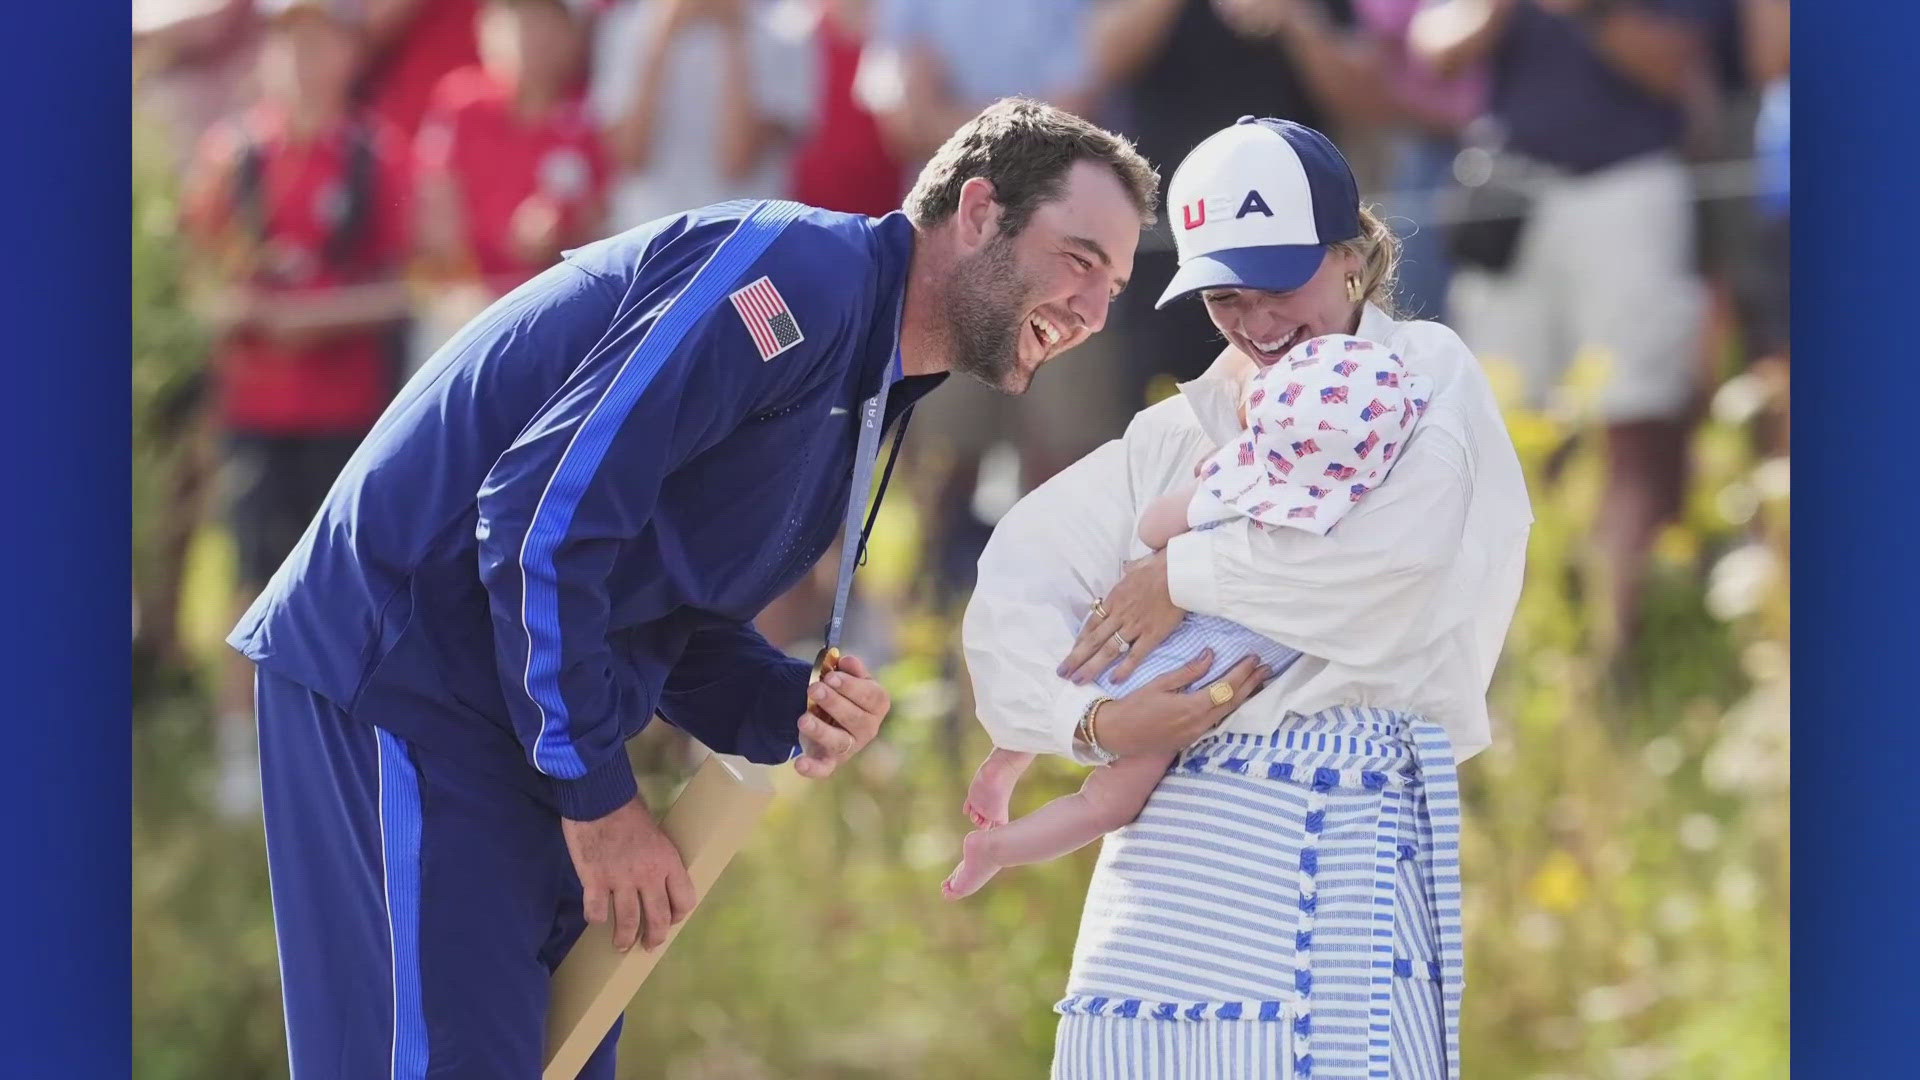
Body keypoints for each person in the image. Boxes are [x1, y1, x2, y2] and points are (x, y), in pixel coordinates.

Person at [230, 98, 1160, 1078]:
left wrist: (780, 702)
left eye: (1116, 284)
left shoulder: (868, 367)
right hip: (403, 677)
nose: (1096, 312)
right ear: (977, 213)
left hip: (507, 710)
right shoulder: (795, 282)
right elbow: (541, 522)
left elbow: (649, 597)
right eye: (1080, 260)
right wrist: (598, 804)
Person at [961, 117, 1530, 1077]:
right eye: (1227, 297)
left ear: (1351, 258)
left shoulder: (1426, 378)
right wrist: (1095, 721)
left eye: (1280, 288)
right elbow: (1024, 574)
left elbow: (1401, 565)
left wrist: (1182, 578)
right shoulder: (1180, 430)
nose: (1258, 324)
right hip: (1167, 862)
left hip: (1340, 840)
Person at [945, 332, 1431, 899]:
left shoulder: (1232, 485)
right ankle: (996, 848)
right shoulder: (1342, 518)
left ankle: (1006, 764)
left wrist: (1208, 495)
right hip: (1185, 676)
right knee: (1108, 805)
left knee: (1073, 670)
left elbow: (1151, 528)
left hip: (1137, 640)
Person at [1414, 0, 1720, 655]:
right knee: (1508, 436)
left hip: (1626, 191)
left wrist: (1590, 11)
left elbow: (1678, 67)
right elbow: (1437, 48)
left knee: (1631, 425)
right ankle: (1526, 649)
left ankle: (1613, 657)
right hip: (1515, 200)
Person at [180, 0, 412, 817]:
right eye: (292, 42)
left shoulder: (377, 157)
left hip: (349, 410)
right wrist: (245, 311)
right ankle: (238, 755)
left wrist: (313, 317)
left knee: (344, 589)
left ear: (349, 53)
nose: (307, 61)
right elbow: (197, 286)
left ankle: (332, 754)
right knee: (249, 577)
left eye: (324, 41)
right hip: (255, 410)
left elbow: (408, 286)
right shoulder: (233, 156)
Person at [409, 0, 609, 367]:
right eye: (518, 23)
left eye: (543, 24)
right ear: (486, 32)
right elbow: (435, 205)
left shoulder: (586, 120)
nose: (530, 39)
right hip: (463, 311)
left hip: (557, 316)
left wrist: (560, 233)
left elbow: (601, 217)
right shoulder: (460, 103)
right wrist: (466, 286)